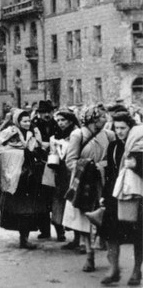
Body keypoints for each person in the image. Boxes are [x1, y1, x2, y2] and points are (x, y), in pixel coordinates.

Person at [0, 109, 49, 249]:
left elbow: (37, 147)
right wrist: (18, 153)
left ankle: (25, 238)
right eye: (24, 121)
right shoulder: (9, 132)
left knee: (27, 209)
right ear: (17, 121)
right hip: (14, 175)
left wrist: (37, 151)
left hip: (28, 176)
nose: (27, 123)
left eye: (29, 121)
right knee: (19, 209)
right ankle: (23, 238)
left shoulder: (31, 133)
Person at [62, 104, 110, 273]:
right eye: (103, 116)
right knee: (84, 219)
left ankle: (106, 250)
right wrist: (87, 167)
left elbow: (111, 159)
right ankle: (89, 256)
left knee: (102, 215)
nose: (106, 119)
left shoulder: (108, 135)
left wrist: (102, 166)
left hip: (101, 182)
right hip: (83, 182)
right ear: (93, 118)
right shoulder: (78, 135)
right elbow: (70, 160)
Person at [99, 112, 143, 286]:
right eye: (116, 128)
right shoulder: (114, 147)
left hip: (136, 197)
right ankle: (114, 269)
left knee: (138, 235)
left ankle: (136, 271)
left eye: (123, 128)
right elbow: (110, 173)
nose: (119, 132)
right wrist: (104, 196)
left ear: (130, 128)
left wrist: (138, 165)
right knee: (111, 233)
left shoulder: (139, 146)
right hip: (115, 195)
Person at [50, 109, 80, 246]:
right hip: (60, 171)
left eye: (63, 120)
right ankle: (60, 230)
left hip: (72, 172)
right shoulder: (57, 133)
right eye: (59, 120)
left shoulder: (76, 133)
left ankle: (77, 237)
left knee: (73, 203)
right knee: (59, 201)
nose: (60, 123)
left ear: (70, 120)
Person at [31, 100, 59, 239]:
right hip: (41, 165)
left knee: (57, 198)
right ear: (39, 114)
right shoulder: (34, 126)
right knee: (42, 200)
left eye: (49, 112)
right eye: (43, 112)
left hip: (57, 165)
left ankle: (60, 231)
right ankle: (45, 230)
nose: (47, 115)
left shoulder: (58, 124)